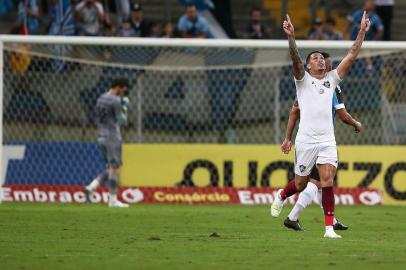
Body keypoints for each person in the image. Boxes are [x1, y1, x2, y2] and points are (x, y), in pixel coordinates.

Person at [271, 12, 370, 238]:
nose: (320, 60)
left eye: (321, 58)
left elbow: (352, 54)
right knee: (300, 184)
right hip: (305, 141)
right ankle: (282, 195)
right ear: (307, 66)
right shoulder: (302, 81)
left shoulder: (332, 79)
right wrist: (291, 37)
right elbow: (295, 58)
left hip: (327, 140)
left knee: (327, 180)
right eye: (314, 58)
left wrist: (362, 31)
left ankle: (328, 229)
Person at [282, 52, 362, 231]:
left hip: (325, 140)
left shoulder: (332, 83)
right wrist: (356, 123)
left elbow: (350, 57)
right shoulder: (312, 84)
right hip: (309, 141)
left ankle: (326, 224)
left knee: (322, 182)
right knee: (311, 183)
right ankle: (288, 208)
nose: (326, 64)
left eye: (326, 62)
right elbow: (341, 114)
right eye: (322, 61)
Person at [85, 78, 130, 208]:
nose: (123, 92)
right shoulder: (115, 100)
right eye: (123, 89)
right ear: (118, 87)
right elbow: (122, 121)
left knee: (111, 167)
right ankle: (113, 200)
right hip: (112, 137)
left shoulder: (101, 98)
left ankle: (91, 187)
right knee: (115, 168)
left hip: (101, 135)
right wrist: (125, 107)